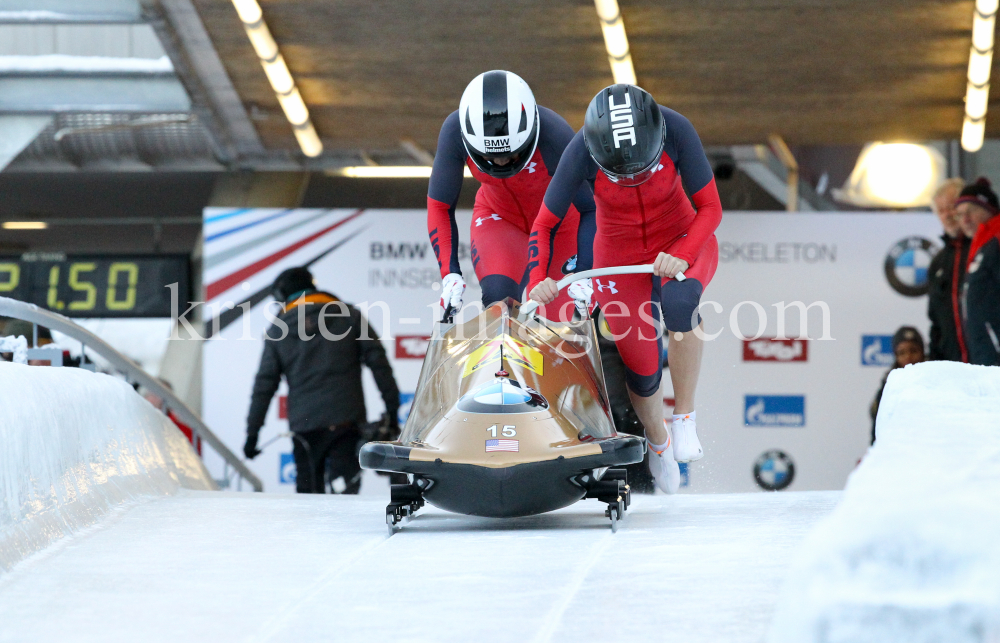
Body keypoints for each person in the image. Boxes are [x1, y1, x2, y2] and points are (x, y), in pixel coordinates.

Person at [528, 84, 723, 495]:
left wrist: (684, 255)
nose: (632, 179)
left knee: (680, 302)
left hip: (682, 236)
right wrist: (537, 280)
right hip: (618, 251)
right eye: (622, 173)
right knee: (642, 368)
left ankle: (684, 417)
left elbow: (711, 208)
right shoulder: (580, 150)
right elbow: (544, 223)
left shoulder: (677, 129)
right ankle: (658, 442)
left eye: (641, 169)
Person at [428, 70, 597, 320]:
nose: (501, 163)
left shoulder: (554, 135)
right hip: (499, 219)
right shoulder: (455, 132)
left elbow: (591, 207)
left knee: (556, 325)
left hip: (560, 225)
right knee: (499, 305)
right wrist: (450, 272)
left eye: (512, 154)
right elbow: (439, 206)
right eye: (489, 157)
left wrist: (586, 271)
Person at [244, 267, 400, 494]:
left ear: (282, 295)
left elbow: (264, 386)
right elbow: (380, 366)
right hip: (347, 423)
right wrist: (393, 412)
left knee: (308, 504)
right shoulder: (351, 315)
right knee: (344, 498)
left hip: (304, 428)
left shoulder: (277, 330)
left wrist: (252, 434)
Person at [956, 178, 1000, 366]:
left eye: (971, 211)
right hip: (985, 354)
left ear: (989, 210)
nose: (965, 220)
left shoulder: (996, 242)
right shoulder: (981, 246)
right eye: (959, 214)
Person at [926, 178, 970, 362]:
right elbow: (935, 320)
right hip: (952, 365)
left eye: (951, 207)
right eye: (941, 211)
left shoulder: (986, 250)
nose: (947, 215)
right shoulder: (938, 262)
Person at [870, 326, 925, 444]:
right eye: (902, 353)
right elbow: (877, 428)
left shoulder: (936, 380)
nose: (908, 357)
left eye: (913, 351)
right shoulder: (889, 385)